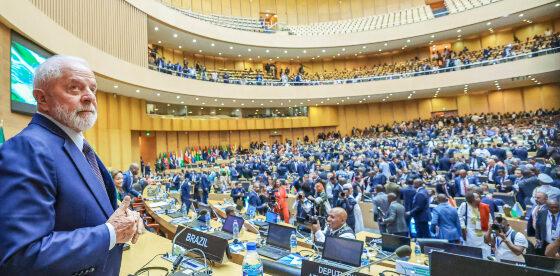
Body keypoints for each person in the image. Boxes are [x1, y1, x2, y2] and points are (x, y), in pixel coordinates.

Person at [0, 55, 143, 275]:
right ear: (42, 99)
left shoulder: (76, 144)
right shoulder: (28, 148)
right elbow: (21, 256)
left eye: (92, 89)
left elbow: (92, 212)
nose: (89, 97)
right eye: (74, 88)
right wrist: (111, 233)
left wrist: (127, 219)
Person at [458, 192, 492, 257]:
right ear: (472, 200)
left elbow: (490, 220)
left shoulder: (484, 206)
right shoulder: (465, 205)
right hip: (470, 234)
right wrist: (463, 226)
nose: (479, 198)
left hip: (483, 234)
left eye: (479, 197)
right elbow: (459, 215)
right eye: (477, 197)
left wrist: (489, 232)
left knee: (485, 253)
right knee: (471, 254)